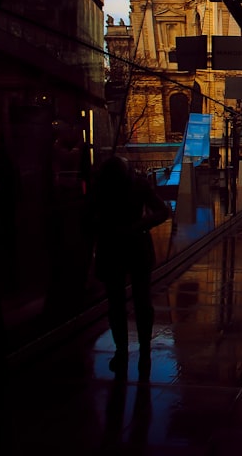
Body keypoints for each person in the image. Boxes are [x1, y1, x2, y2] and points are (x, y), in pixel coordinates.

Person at [89, 155, 171, 378]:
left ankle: (139, 351)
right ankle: (125, 351)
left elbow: (162, 211)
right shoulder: (104, 185)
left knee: (134, 302)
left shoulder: (132, 185)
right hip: (121, 246)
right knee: (122, 303)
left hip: (127, 246)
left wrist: (137, 226)